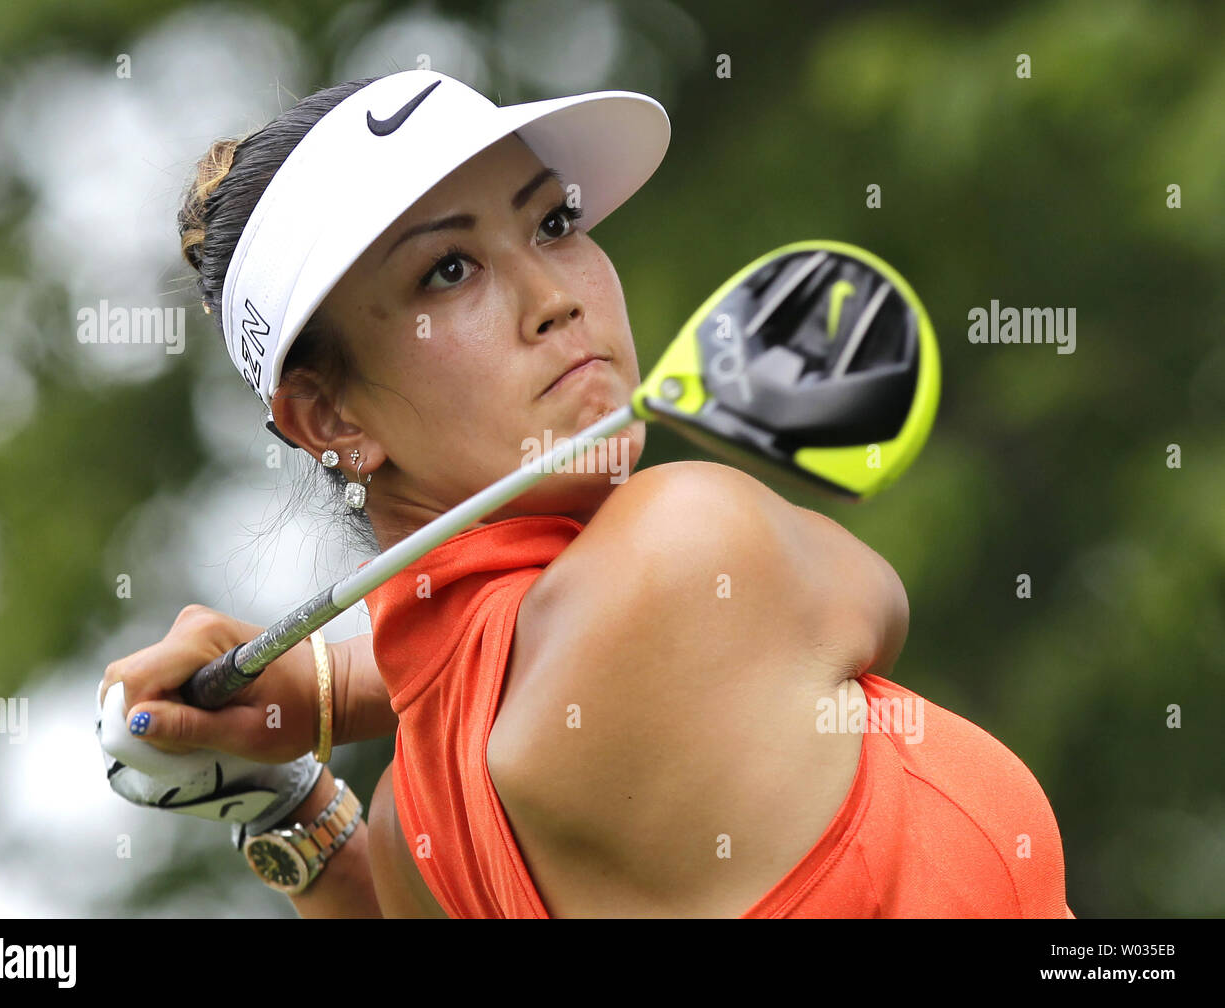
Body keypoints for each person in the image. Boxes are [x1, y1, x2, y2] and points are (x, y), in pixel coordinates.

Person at [98, 70, 1075, 918]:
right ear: (330, 422)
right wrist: (327, 697)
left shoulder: (414, 830)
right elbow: (868, 595)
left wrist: (287, 803)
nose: (555, 294)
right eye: (449, 271)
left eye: (553, 222)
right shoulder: (687, 551)